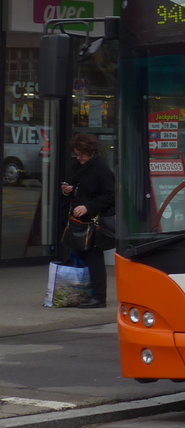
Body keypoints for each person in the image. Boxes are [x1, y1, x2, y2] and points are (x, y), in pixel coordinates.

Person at [59, 132, 115, 308]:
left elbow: (109, 195)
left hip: (93, 220)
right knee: (76, 253)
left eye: (81, 154)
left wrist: (89, 207)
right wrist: (68, 189)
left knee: (93, 256)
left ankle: (99, 297)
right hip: (77, 218)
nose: (78, 157)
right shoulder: (77, 164)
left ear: (90, 152)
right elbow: (73, 183)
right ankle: (78, 292)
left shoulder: (101, 168)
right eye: (76, 153)